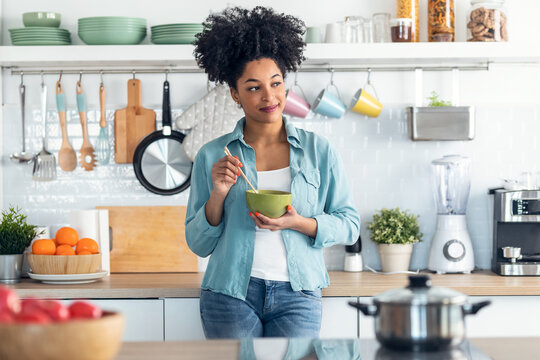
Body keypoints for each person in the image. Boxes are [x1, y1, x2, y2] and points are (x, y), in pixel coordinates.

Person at [185, 6, 360, 339]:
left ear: (285, 86)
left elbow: (350, 225)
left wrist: (299, 223)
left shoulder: (318, 151)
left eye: (275, 83)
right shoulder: (213, 154)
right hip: (229, 294)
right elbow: (197, 243)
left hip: (298, 295)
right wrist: (218, 193)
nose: (269, 96)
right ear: (235, 94)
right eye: (253, 88)